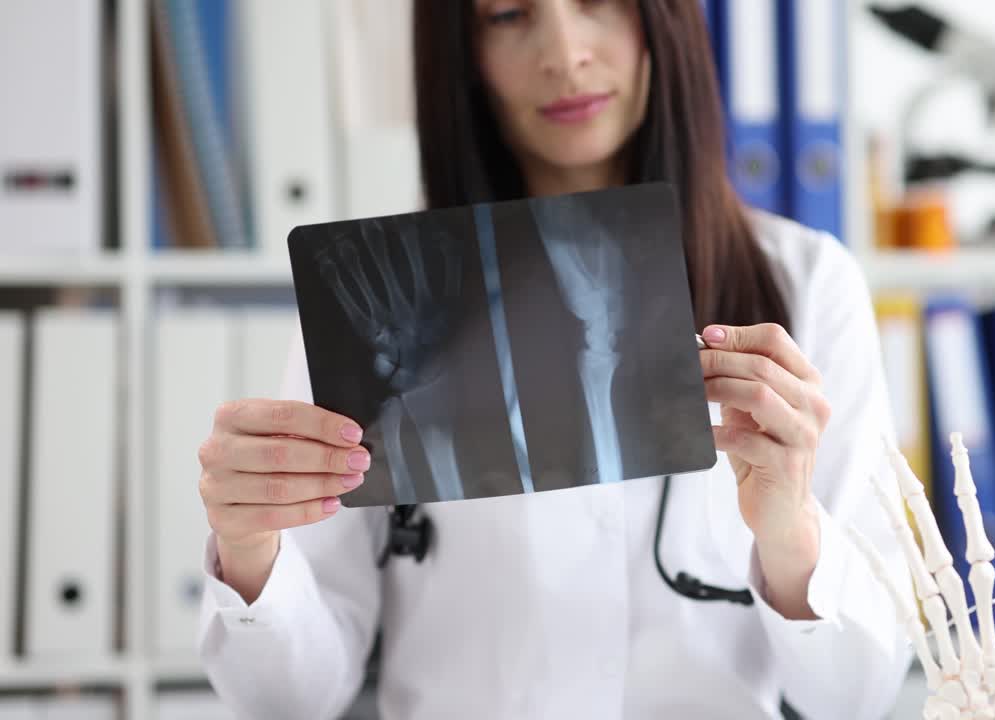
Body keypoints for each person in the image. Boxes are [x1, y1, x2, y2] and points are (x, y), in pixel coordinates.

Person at [195, 1, 912, 717]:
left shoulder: (809, 286)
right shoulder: (369, 301)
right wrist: (251, 552)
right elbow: (289, 701)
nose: (564, 54)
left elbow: (857, 699)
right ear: (459, 53)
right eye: (508, 14)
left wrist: (792, 537)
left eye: (599, 2)